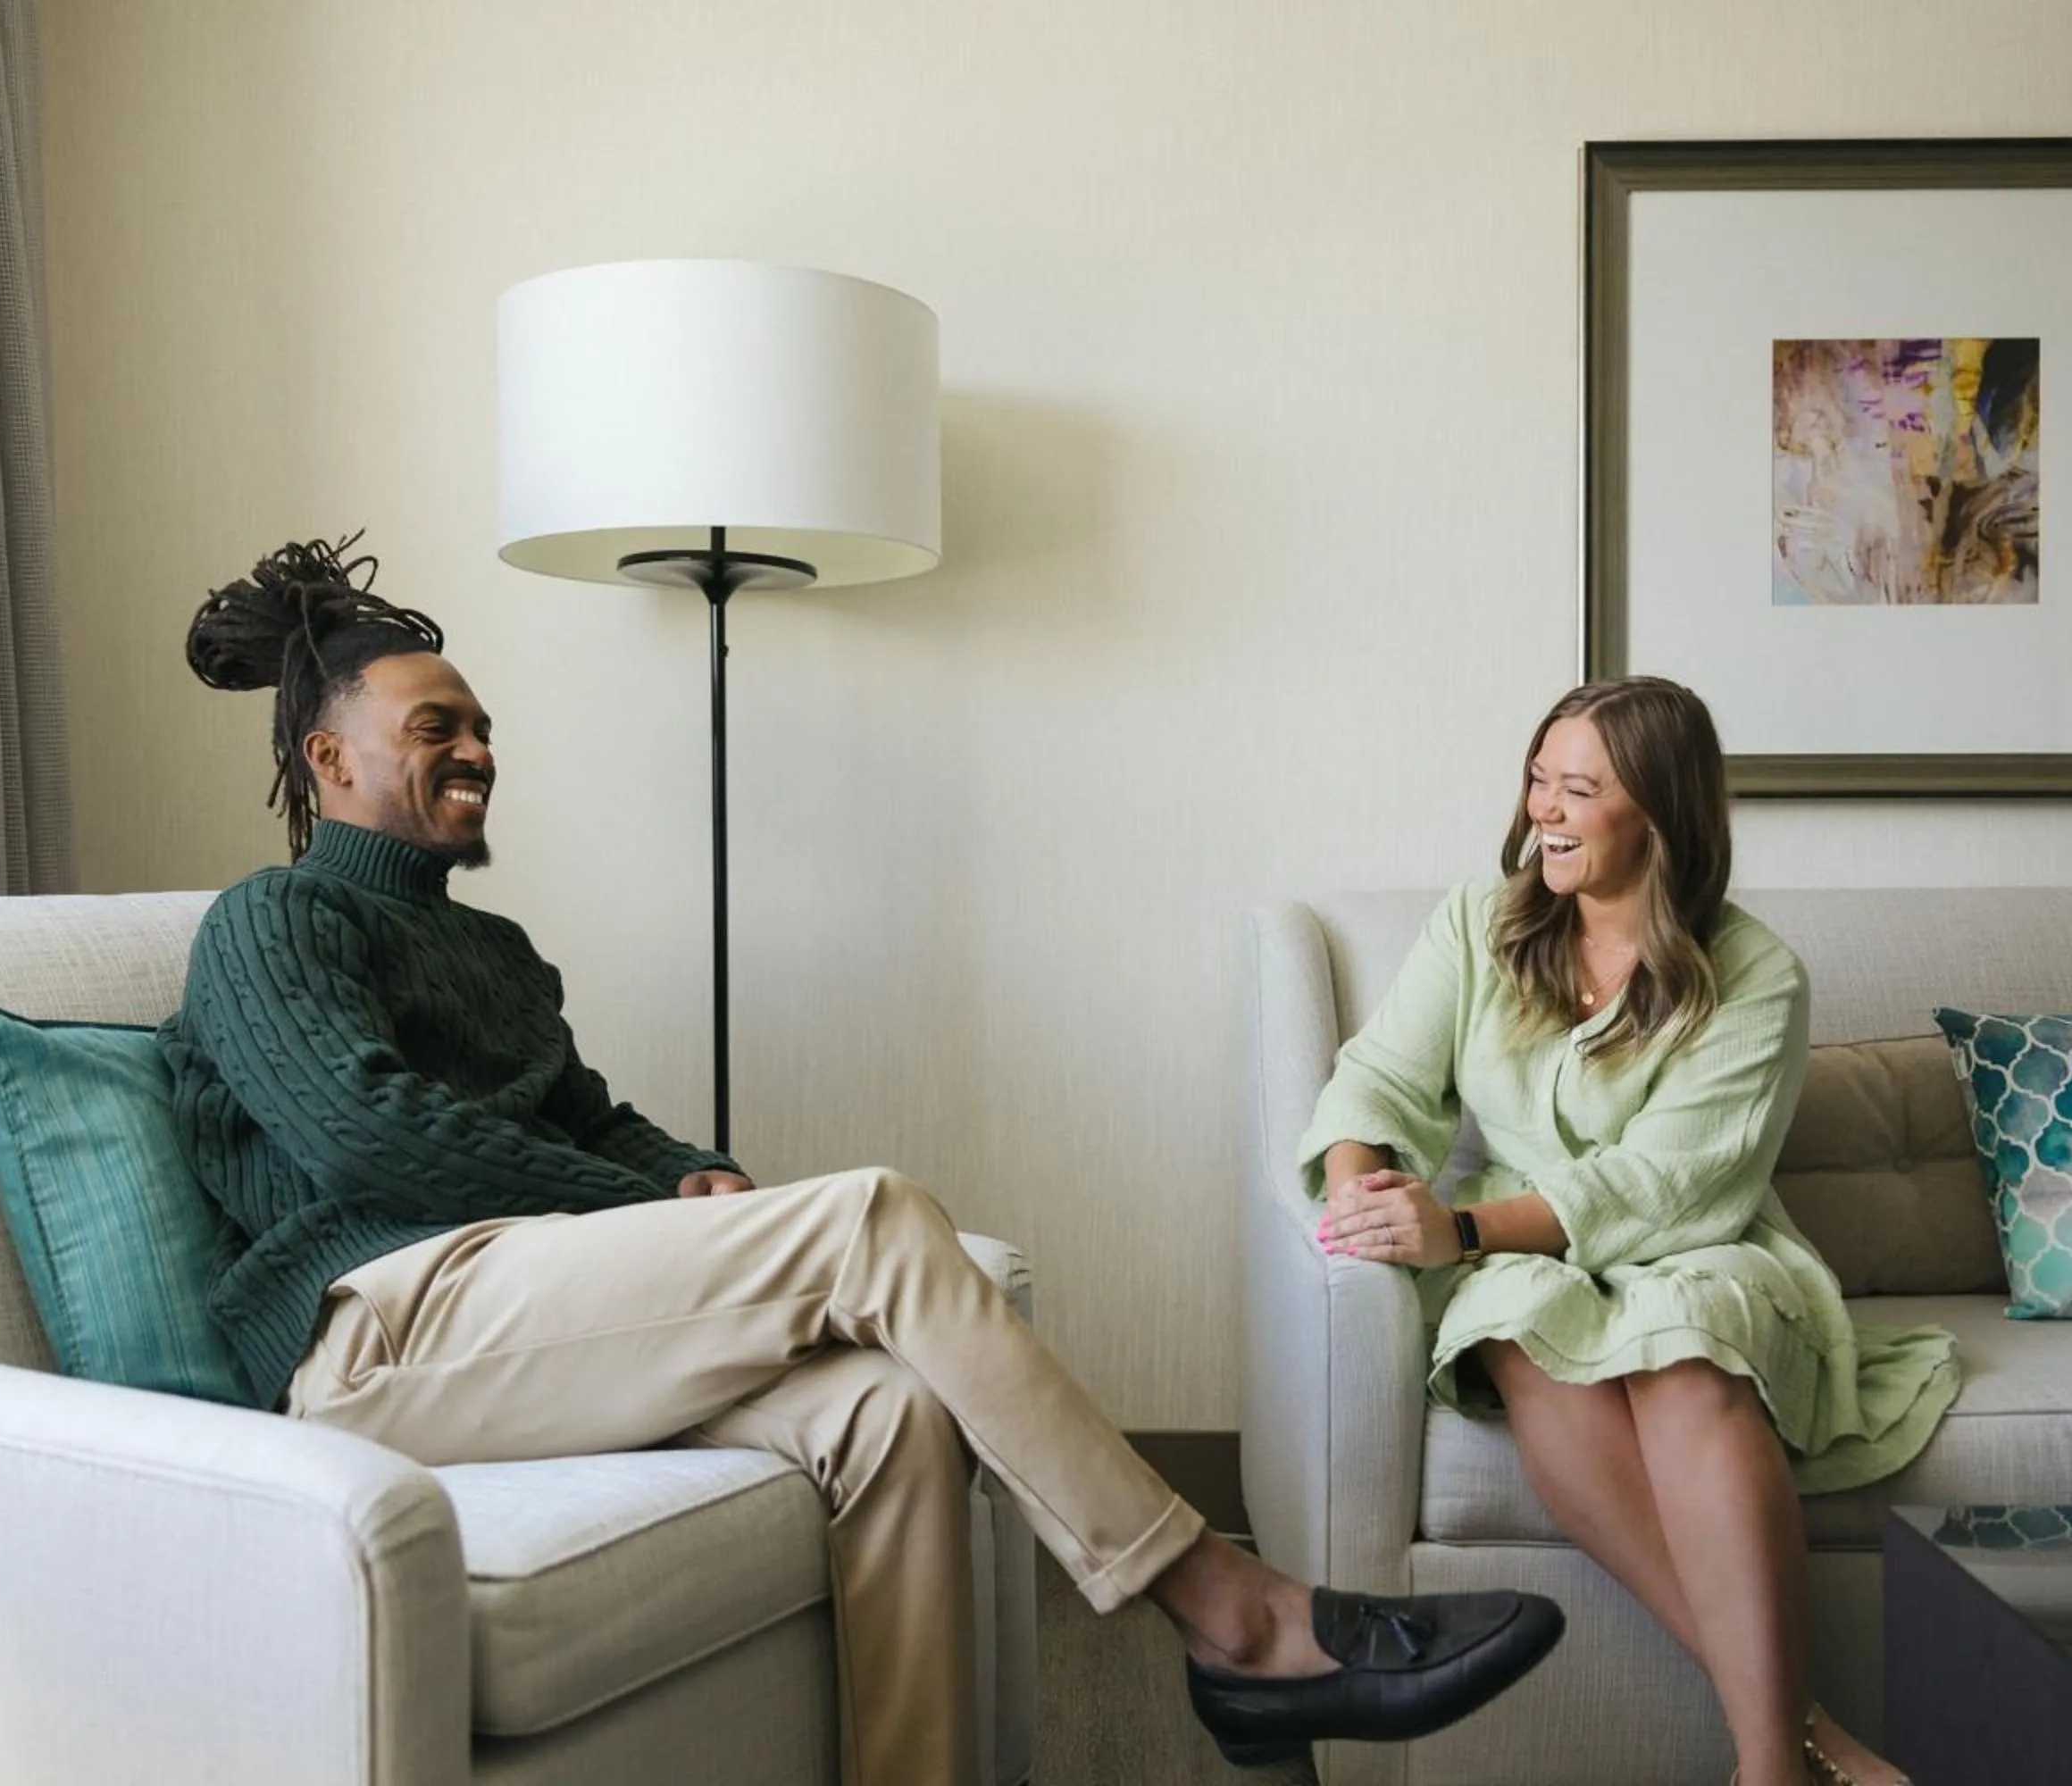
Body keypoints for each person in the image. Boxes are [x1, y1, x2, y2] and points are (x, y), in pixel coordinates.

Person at [154, 536, 1567, 1785]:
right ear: (329, 758)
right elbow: (366, 1129)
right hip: (377, 1334)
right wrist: (651, 1198)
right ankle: (1232, 1612)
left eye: (481, 724)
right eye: (433, 726)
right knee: (877, 1217)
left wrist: (694, 1169)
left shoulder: (496, 953)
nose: (474, 749)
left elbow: (588, 1118)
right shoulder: (272, 921)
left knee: (887, 1411)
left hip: (518, 1312)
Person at [1302, 677, 1960, 1786]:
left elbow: (1671, 1183)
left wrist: (1456, 1224)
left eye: (1578, 788)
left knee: (1690, 1347)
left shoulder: (1757, 976)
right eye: (1537, 778)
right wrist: (1362, 1194)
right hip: (1516, 1250)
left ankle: (1765, 1764)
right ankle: (1806, 1737)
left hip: (1691, 1236)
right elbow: (1379, 1079)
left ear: (1659, 811)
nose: (1543, 809)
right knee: (1516, 1319)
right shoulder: (1479, 920)